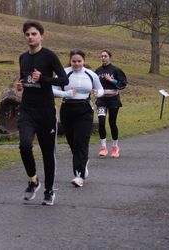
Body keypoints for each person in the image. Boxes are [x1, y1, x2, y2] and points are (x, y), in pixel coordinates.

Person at [15, 20, 69, 205]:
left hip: (45, 112)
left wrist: (44, 78)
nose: (30, 37)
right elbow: (25, 79)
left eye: (34, 34)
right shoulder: (23, 58)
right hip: (27, 110)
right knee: (24, 145)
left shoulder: (49, 56)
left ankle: (49, 190)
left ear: (41, 36)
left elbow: (64, 80)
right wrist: (20, 85)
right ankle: (33, 180)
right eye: (27, 34)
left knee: (47, 153)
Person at [53, 49, 104, 187]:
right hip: (67, 109)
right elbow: (51, 90)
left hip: (85, 110)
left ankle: (79, 176)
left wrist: (97, 93)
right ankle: (83, 160)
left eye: (79, 61)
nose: (76, 64)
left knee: (81, 141)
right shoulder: (64, 72)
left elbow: (100, 89)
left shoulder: (90, 74)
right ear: (70, 61)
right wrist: (65, 93)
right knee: (73, 143)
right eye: (74, 61)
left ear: (84, 61)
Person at [95, 49, 127, 158]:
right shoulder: (97, 71)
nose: (103, 58)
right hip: (101, 100)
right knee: (101, 121)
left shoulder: (116, 70)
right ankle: (103, 147)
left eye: (105, 56)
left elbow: (123, 84)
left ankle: (115, 147)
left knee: (112, 122)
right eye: (101, 56)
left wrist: (112, 80)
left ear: (109, 57)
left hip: (113, 99)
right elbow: (93, 83)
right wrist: (94, 90)